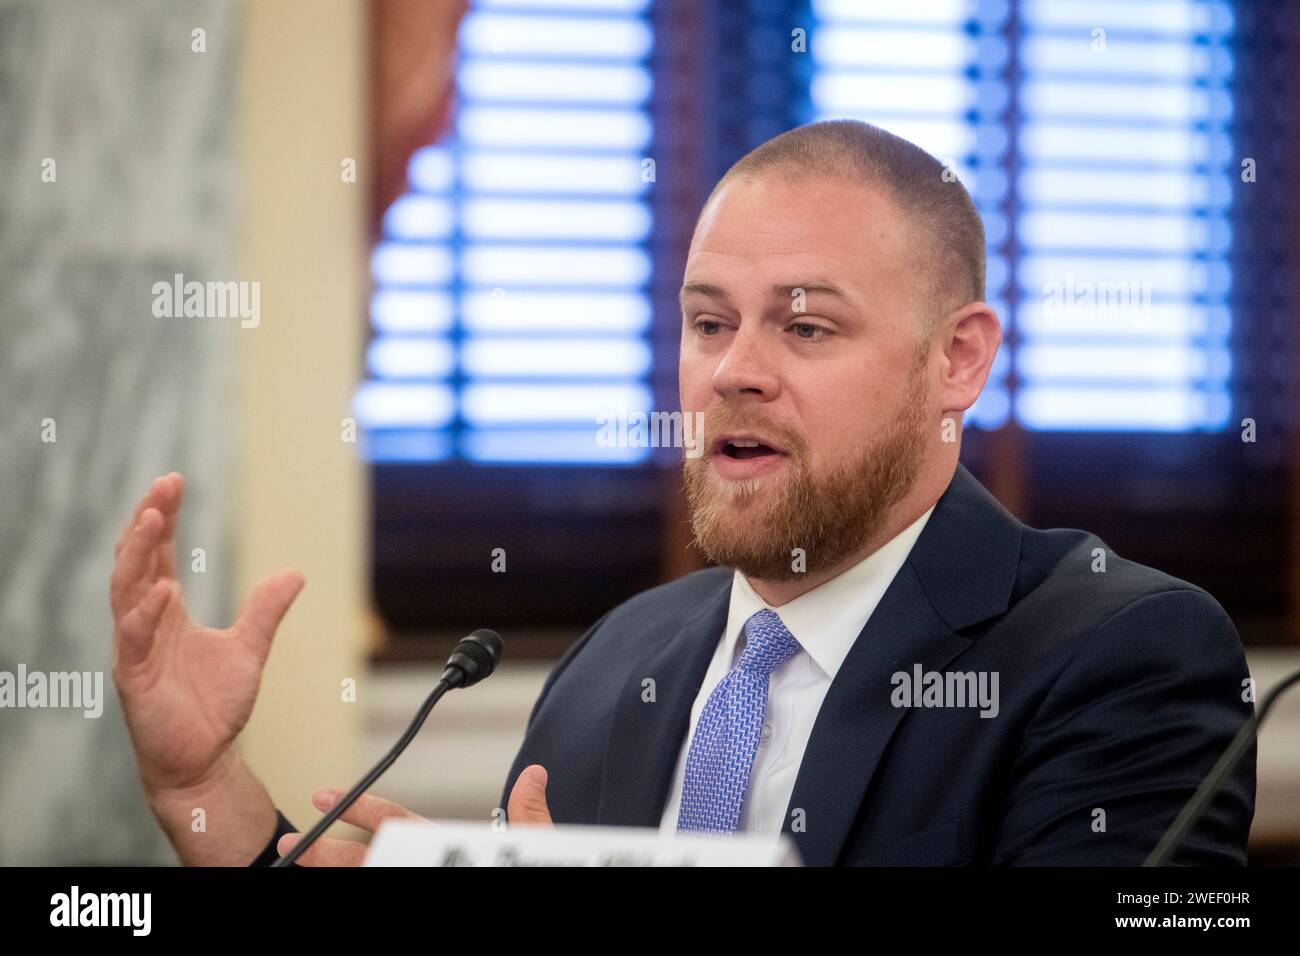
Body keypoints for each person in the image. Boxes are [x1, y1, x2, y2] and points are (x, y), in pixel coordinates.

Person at [110, 120, 1255, 867]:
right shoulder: (620, 658)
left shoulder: (1120, 651)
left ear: (956, 360)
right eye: (708, 323)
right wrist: (203, 782)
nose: (732, 369)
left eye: (805, 324)